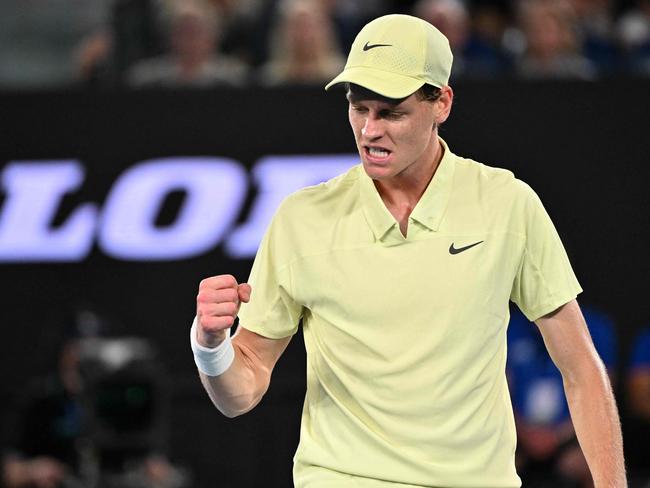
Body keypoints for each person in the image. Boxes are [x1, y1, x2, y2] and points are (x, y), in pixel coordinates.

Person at [190, 14, 626, 487]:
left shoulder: (506, 204)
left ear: (442, 103)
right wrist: (211, 347)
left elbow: (580, 367)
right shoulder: (302, 218)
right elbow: (242, 391)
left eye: (391, 112)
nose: (369, 130)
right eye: (359, 108)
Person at [507, 306, 618, 487]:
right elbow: (501, 389)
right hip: (518, 436)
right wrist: (524, 432)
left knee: (596, 464)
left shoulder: (595, 329)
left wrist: (558, 436)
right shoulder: (509, 328)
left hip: (571, 437)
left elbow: (601, 396)